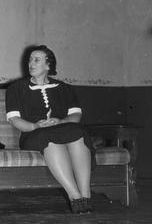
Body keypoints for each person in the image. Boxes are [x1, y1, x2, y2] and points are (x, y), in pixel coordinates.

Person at [5, 45, 96, 214]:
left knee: (78, 132)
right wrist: (34, 125)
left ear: (48, 65)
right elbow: (14, 119)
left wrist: (61, 121)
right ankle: (75, 196)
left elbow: (75, 116)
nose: (31, 63)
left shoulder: (64, 88)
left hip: (63, 128)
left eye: (36, 60)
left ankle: (86, 194)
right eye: (30, 60)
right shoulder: (16, 89)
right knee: (49, 138)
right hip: (33, 134)